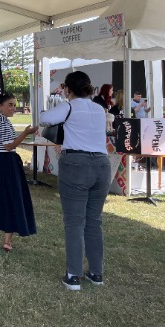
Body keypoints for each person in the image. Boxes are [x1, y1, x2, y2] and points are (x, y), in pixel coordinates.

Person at [40, 71, 111, 291]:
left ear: (67, 89)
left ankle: (73, 275)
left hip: (76, 164)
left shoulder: (68, 106)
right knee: (94, 221)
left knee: (74, 222)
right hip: (102, 165)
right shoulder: (99, 108)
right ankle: (96, 273)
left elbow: (44, 119)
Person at [0, 92, 37, 253]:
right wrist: (26, 133)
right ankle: (7, 241)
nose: (13, 108)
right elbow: (9, 146)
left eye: (14, 105)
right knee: (12, 199)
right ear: (0, 106)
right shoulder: (4, 122)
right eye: (10, 105)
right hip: (7, 162)